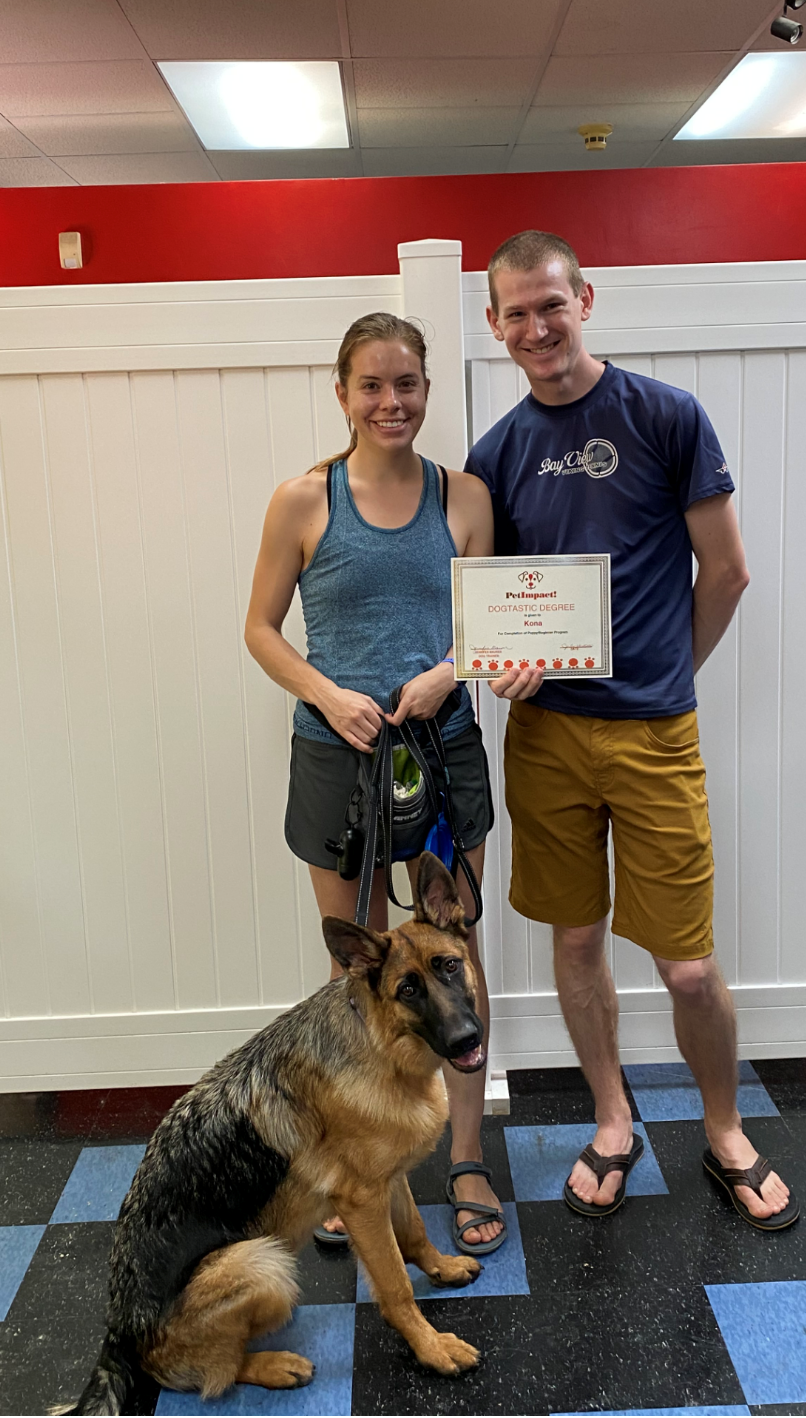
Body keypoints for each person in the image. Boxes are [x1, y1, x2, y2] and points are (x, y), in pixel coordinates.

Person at [468, 232, 798, 1230]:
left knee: (685, 962)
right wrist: (507, 667)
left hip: (654, 735)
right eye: (515, 313)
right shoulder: (496, 453)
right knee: (575, 937)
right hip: (548, 739)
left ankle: (723, 1128)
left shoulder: (664, 416)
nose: (535, 327)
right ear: (493, 326)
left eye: (550, 305)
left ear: (585, 300)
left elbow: (726, 570)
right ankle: (612, 1121)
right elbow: (498, 606)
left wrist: (666, 674)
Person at [244, 312, 507, 1254]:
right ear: (344, 392)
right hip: (337, 759)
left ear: (428, 389)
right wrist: (328, 692)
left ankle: (467, 1157)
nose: (391, 403)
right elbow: (262, 630)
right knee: (356, 973)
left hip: (445, 753)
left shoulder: (465, 497)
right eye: (372, 386)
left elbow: (494, 625)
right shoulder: (303, 501)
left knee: (458, 966)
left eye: (408, 385)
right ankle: (359, 1161)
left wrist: (450, 671)